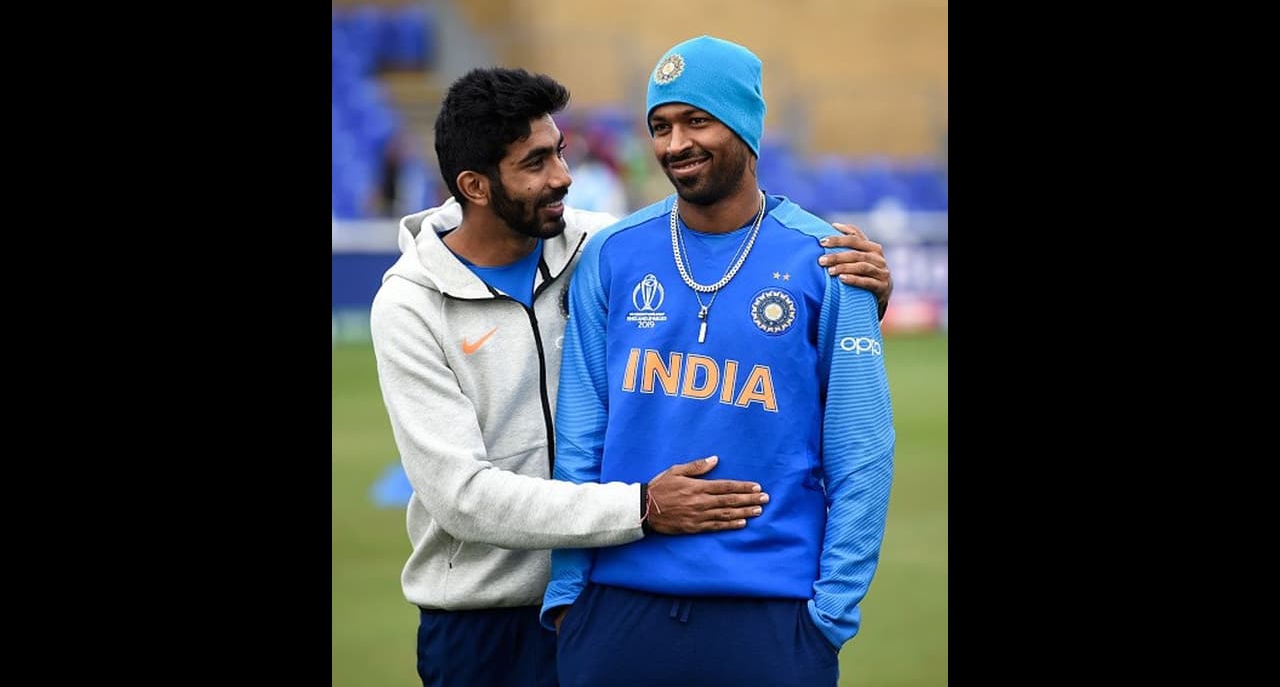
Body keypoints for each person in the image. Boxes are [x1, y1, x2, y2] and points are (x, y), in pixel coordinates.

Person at [368, 65, 894, 687]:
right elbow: (462, 497)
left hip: (606, 592)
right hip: (486, 614)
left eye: (560, 151)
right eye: (536, 163)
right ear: (475, 186)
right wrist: (641, 508)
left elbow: (728, 253)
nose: (563, 176)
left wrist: (862, 295)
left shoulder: (599, 246)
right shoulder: (410, 306)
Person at [540, 36, 896, 687]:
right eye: (661, 126)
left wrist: (829, 618)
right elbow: (580, 441)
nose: (676, 144)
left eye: (697, 120)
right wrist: (568, 597)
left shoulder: (830, 262)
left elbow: (862, 453)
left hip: (773, 619)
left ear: (745, 126)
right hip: (617, 612)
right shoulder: (612, 256)